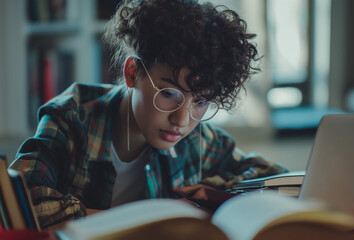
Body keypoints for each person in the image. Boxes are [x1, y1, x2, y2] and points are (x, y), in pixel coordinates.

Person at [10, 0, 287, 229]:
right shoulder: (71, 117)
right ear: (133, 73)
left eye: (201, 102)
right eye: (169, 94)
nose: (181, 121)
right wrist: (155, 216)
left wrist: (207, 192)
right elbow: (22, 203)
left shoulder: (196, 139)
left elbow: (272, 175)